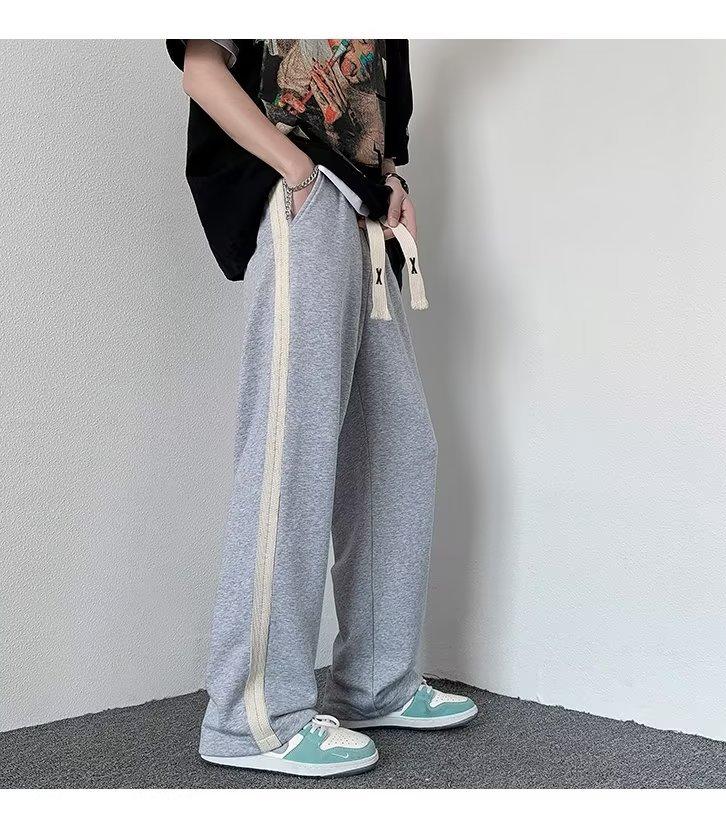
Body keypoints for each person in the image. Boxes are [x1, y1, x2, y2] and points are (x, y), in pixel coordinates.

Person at [167, 38, 477, 778]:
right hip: (301, 199)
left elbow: (376, 94)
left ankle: (375, 681)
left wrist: (389, 180)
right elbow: (203, 70)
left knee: (397, 450)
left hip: (362, 211)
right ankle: (252, 717)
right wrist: (295, 169)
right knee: (292, 451)